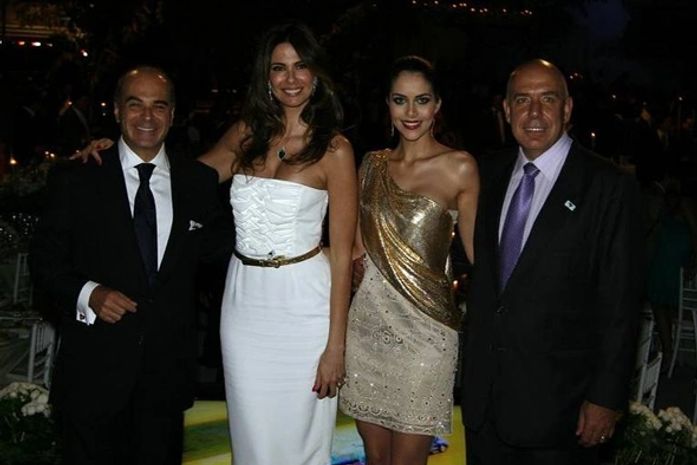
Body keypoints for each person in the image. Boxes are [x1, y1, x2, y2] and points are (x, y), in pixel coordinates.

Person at [74, 21, 356, 465]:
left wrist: (336, 345)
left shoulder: (335, 149)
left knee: (300, 436)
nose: (290, 78)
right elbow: (178, 179)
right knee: (251, 432)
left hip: (306, 305)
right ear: (266, 76)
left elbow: (342, 255)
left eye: (300, 66)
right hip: (245, 303)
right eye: (279, 67)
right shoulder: (246, 134)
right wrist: (120, 151)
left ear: (316, 75)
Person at [29, 66, 231, 465]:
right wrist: (90, 293)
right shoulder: (78, 177)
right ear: (118, 111)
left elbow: (229, 250)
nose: (147, 116)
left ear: (173, 114)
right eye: (135, 104)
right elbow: (45, 262)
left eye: (159, 106)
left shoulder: (197, 183)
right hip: (92, 374)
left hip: (165, 379)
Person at [460, 59, 643, 465]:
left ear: (568, 108)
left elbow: (621, 303)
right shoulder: (483, 175)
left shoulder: (607, 186)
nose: (534, 112)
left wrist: (605, 398)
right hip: (485, 406)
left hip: (561, 414)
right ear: (506, 110)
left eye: (548, 99)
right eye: (522, 100)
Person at [339, 56, 479, 465]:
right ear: (388, 104)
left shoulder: (460, 167)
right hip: (367, 330)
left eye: (422, 100)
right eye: (400, 100)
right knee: (375, 459)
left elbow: (479, 255)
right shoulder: (371, 165)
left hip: (426, 337)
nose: (411, 112)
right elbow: (355, 252)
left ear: (438, 105)